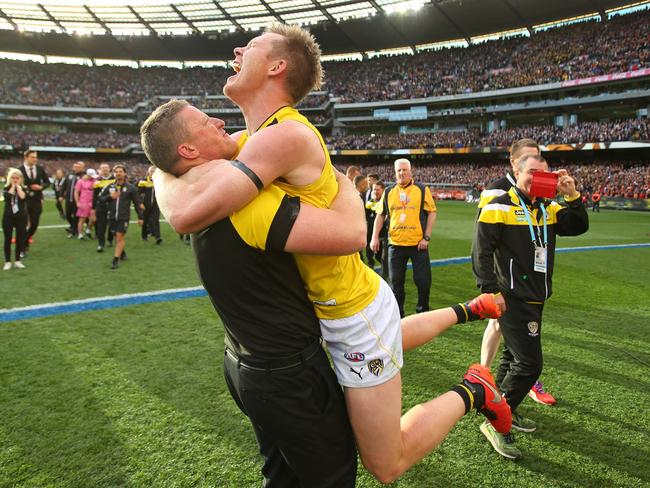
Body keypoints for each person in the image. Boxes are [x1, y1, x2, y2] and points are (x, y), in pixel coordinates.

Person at [150, 23, 511, 484]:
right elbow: (178, 168)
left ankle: (474, 390)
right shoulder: (255, 136)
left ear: (277, 67)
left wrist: (172, 175)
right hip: (339, 307)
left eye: (253, 46)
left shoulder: (281, 137)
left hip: (352, 312)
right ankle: (468, 311)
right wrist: (165, 170)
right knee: (391, 337)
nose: (238, 49)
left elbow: (187, 211)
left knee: (386, 463)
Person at [472, 154, 588, 459]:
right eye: (532, 173)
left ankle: (508, 409)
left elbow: (578, 225)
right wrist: (490, 292)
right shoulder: (500, 204)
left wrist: (571, 193)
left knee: (512, 359)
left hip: (536, 296)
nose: (538, 178)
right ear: (518, 172)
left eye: (545, 174)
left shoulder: (548, 207)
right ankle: (496, 422)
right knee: (529, 364)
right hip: (512, 298)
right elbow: (481, 251)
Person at [475, 139, 557, 406]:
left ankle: (503, 391)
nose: (536, 171)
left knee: (514, 344)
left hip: (530, 281)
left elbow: (566, 222)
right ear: (515, 164)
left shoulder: (542, 198)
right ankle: (484, 377)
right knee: (501, 327)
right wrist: (492, 286)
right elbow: (485, 241)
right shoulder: (495, 192)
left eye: (539, 161)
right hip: (506, 280)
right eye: (530, 163)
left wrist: (566, 193)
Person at [370, 158, 437, 317]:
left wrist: (426, 238)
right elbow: (380, 215)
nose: (401, 173)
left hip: (418, 245)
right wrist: (374, 238)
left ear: (410, 171)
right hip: (395, 245)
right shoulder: (388, 192)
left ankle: (422, 312)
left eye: (404, 170)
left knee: (423, 282)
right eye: (399, 170)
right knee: (395, 284)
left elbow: (432, 212)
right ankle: (398, 316)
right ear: (395, 172)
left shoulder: (421, 189)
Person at [98, 164, 143, 269]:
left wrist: (140, 217)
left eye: (120, 171)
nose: (118, 173)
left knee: (119, 237)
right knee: (116, 237)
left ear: (125, 173)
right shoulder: (110, 187)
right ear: (114, 174)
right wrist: (110, 197)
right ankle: (122, 253)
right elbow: (100, 199)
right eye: (116, 171)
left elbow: (137, 204)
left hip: (123, 217)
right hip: (112, 217)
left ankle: (115, 260)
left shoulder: (131, 188)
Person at [19, 149, 50, 252]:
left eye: (36, 157)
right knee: (23, 224)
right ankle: (22, 247)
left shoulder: (39, 168)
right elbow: (14, 184)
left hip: (36, 200)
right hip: (23, 200)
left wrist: (41, 187)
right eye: (32, 157)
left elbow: (47, 182)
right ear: (26, 157)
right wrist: (27, 189)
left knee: (34, 224)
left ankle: (25, 240)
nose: (35, 159)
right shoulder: (19, 170)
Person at [3, 168, 27, 270]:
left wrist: (18, 187)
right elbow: (8, 197)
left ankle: (17, 261)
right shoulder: (6, 187)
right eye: (13, 177)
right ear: (10, 178)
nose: (15, 179)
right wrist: (13, 186)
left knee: (19, 239)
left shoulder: (23, 188)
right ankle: (8, 261)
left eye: (17, 178)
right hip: (8, 217)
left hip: (21, 217)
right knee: (7, 239)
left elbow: (22, 197)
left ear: (21, 179)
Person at [365, 180, 388, 277]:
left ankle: (386, 274)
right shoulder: (370, 202)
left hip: (386, 235)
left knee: (384, 257)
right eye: (374, 190)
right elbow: (364, 215)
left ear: (383, 190)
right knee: (377, 255)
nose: (375, 192)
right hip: (373, 235)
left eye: (378, 190)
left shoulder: (387, 202)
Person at [137, 166, 162, 244]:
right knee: (145, 220)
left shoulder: (160, 181)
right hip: (146, 205)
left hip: (156, 204)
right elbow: (138, 193)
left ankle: (158, 237)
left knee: (155, 220)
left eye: (155, 171)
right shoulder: (143, 181)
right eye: (152, 171)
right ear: (148, 172)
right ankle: (144, 236)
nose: (153, 172)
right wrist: (140, 203)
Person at [93, 163, 114, 252]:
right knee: (101, 226)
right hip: (101, 207)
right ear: (100, 170)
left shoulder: (114, 180)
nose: (105, 169)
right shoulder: (97, 181)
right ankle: (101, 244)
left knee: (112, 225)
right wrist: (93, 208)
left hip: (112, 207)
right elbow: (94, 196)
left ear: (109, 169)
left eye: (106, 168)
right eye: (103, 168)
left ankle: (110, 240)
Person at [62, 161, 85, 238]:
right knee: (67, 215)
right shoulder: (69, 175)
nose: (76, 168)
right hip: (68, 199)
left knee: (76, 216)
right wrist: (61, 195)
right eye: (75, 167)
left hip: (77, 200)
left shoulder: (83, 176)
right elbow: (64, 185)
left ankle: (73, 231)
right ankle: (73, 227)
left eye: (78, 167)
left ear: (81, 168)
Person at [75, 168, 97, 240]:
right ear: (87, 175)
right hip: (83, 202)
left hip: (92, 202)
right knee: (82, 219)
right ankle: (80, 234)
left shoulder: (95, 181)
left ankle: (88, 230)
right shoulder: (80, 181)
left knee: (93, 219)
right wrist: (77, 202)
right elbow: (76, 192)